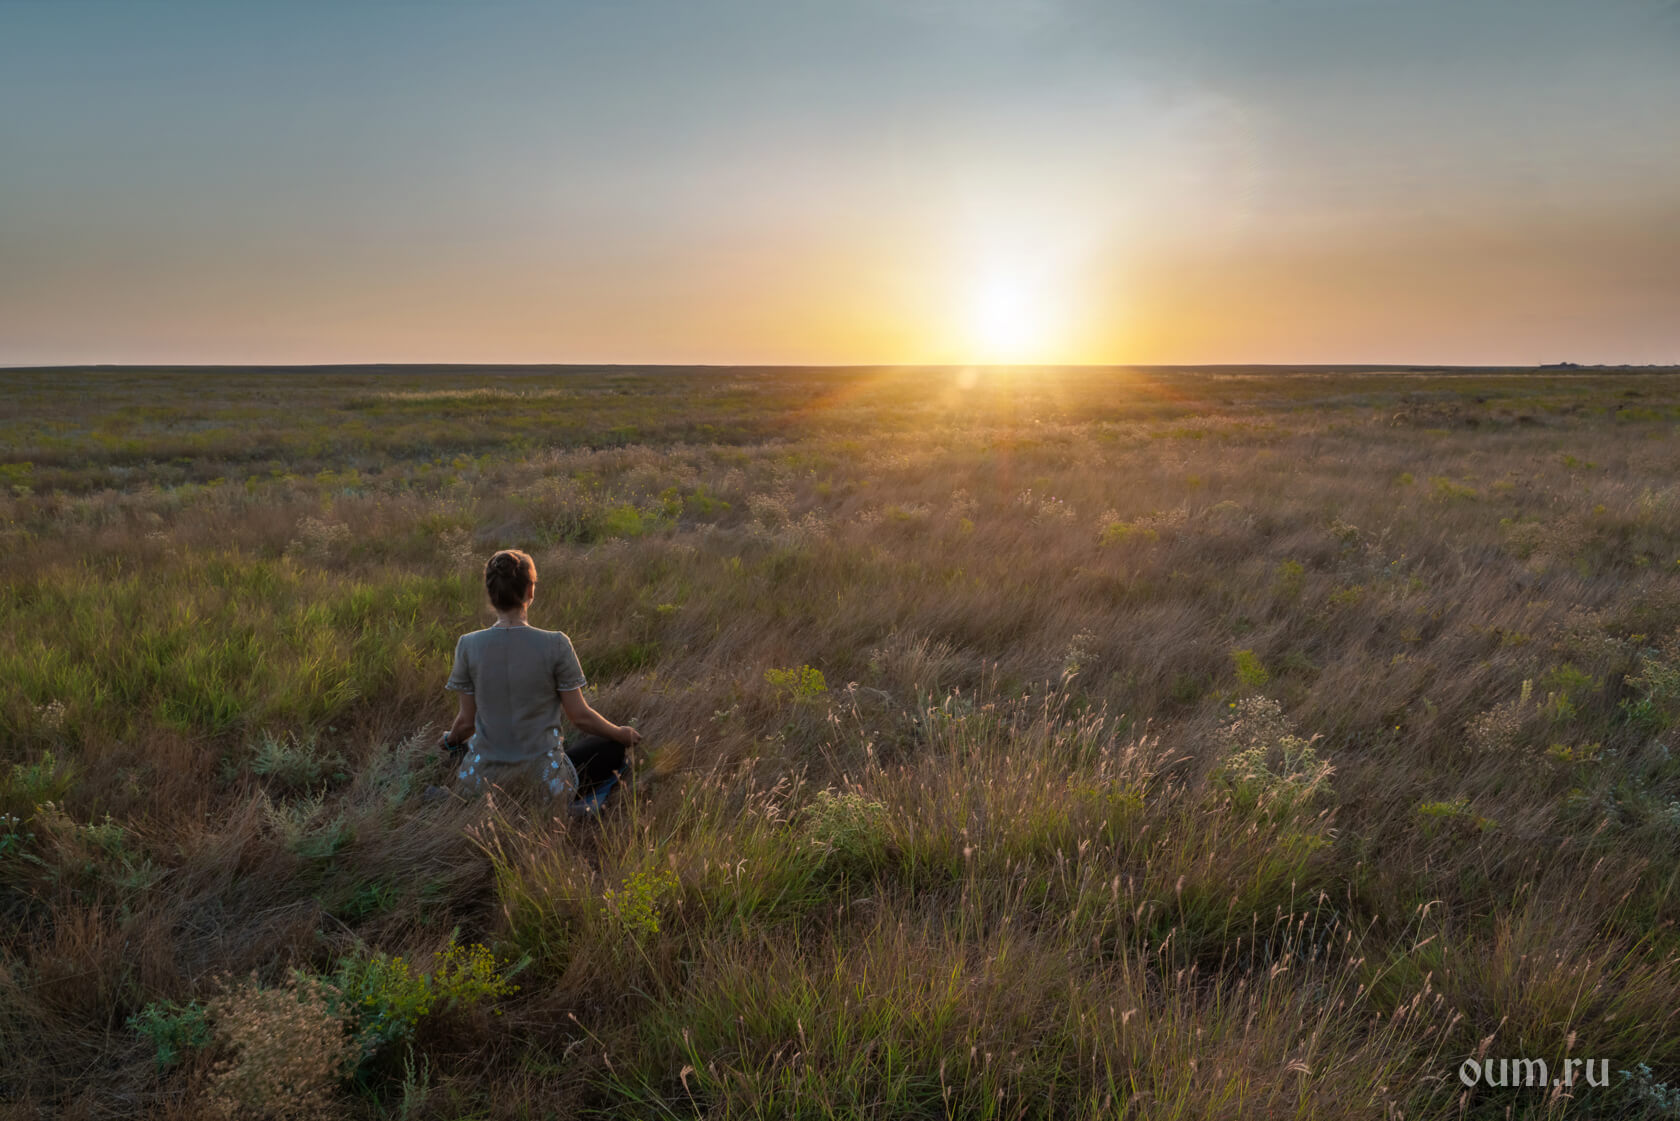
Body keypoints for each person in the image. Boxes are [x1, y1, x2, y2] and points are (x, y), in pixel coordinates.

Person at [440, 548, 640, 809]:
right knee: (610, 748)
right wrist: (621, 733)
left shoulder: (468, 645)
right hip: (545, 785)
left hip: (480, 784)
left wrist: (448, 741)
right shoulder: (556, 644)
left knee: (463, 747)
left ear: (491, 593)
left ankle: (474, 797)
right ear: (530, 591)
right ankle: (575, 804)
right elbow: (580, 717)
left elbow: (466, 724)